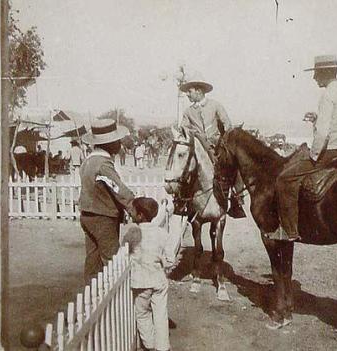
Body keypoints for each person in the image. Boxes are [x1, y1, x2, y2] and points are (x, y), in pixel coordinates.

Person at [271, 55, 337, 241]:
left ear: (325, 72)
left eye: (316, 73)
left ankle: (290, 231)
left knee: (284, 179)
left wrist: (314, 154)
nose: (314, 77)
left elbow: (324, 133)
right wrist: (317, 119)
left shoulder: (327, 95)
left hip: (328, 152)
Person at [179, 73, 246, 218]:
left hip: (217, 147)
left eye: (189, 92)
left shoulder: (215, 105)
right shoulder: (188, 112)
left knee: (233, 166)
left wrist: (222, 140)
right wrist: (195, 134)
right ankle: (182, 202)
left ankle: (237, 199)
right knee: (184, 168)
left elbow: (227, 124)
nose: (187, 95)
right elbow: (183, 129)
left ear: (199, 91)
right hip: (198, 147)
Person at [122, 196, 183, 351]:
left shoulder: (132, 234)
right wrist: (163, 262)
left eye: (133, 212)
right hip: (159, 281)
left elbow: (123, 254)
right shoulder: (161, 233)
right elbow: (170, 260)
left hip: (140, 282)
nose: (131, 214)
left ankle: (150, 345)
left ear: (141, 215)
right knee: (161, 314)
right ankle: (163, 347)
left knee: (142, 314)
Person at [79, 119, 136, 283]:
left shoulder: (88, 161)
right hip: (103, 218)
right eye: (117, 141)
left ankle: (91, 295)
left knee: (92, 259)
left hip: (87, 215)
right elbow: (118, 189)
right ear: (108, 143)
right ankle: (116, 295)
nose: (119, 144)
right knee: (112, 260)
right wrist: (136, 207)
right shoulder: (103, 165)